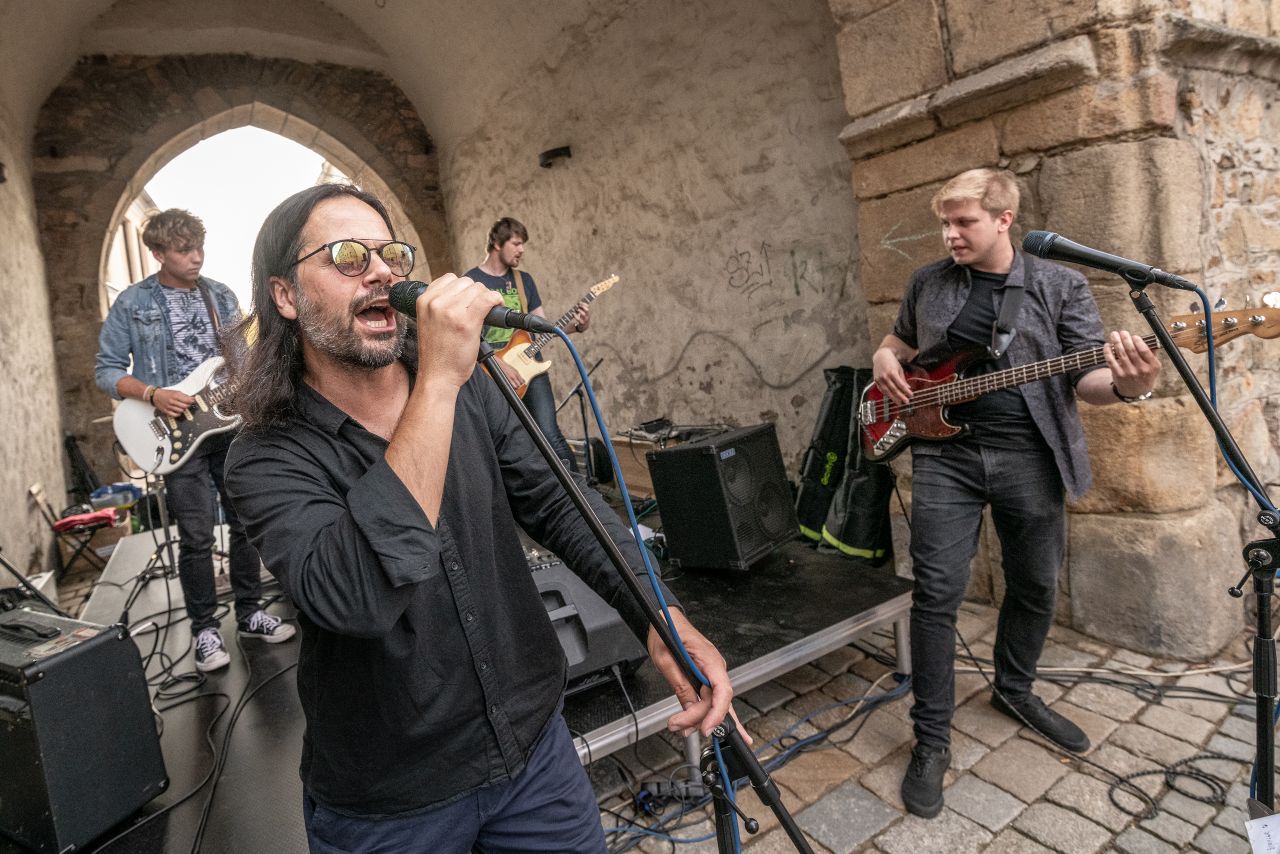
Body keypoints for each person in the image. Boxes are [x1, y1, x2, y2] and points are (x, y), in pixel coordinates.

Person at [222, 183, 736, 852]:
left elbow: (559, 502)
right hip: (392, 804)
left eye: (391, 255)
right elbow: (356, 596)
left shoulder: (472, 387)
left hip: (535, 756)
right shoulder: (266, 454)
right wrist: (438, 381)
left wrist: (661, 617)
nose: (381, 272)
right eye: (348, 256)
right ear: (285, 295)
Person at [872, 169, 1161, 819]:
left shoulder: (1061, 285)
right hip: (944, 455)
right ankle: (932, 739)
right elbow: (900, 340)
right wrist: (884, 358)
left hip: (1031, 455)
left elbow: (1087, 378)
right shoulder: (928, 281)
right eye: (945, 223)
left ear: (1004, 219)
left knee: (1033, 583)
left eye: (964, 222)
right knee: (936, 594)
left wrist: (1130, 386)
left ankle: (1015, 689)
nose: (950, 235)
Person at [95, 208, 295, 673]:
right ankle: (205, 629)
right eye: (184, 250)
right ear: (158, 253)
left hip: (228, 427)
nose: (196, 257)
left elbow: (242, 362)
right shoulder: (134, 303)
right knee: (197, 536)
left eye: (199, 247)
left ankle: (250, 613)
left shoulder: (220, 296)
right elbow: (106, 371)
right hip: (174, 435)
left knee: (245, 524)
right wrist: (153, 394)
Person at [464, 217, 588, 473]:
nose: (522, 250)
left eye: (523, 244)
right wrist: (496, 363)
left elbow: (541, 327)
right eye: (516, 243)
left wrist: (576, 326)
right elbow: (467, 333)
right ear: (497, 243)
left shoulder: (524, 281)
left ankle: (581, 491)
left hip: (531, 368)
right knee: (504, 443)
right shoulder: (472, 282)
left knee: (549, 435)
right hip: (491, 371)